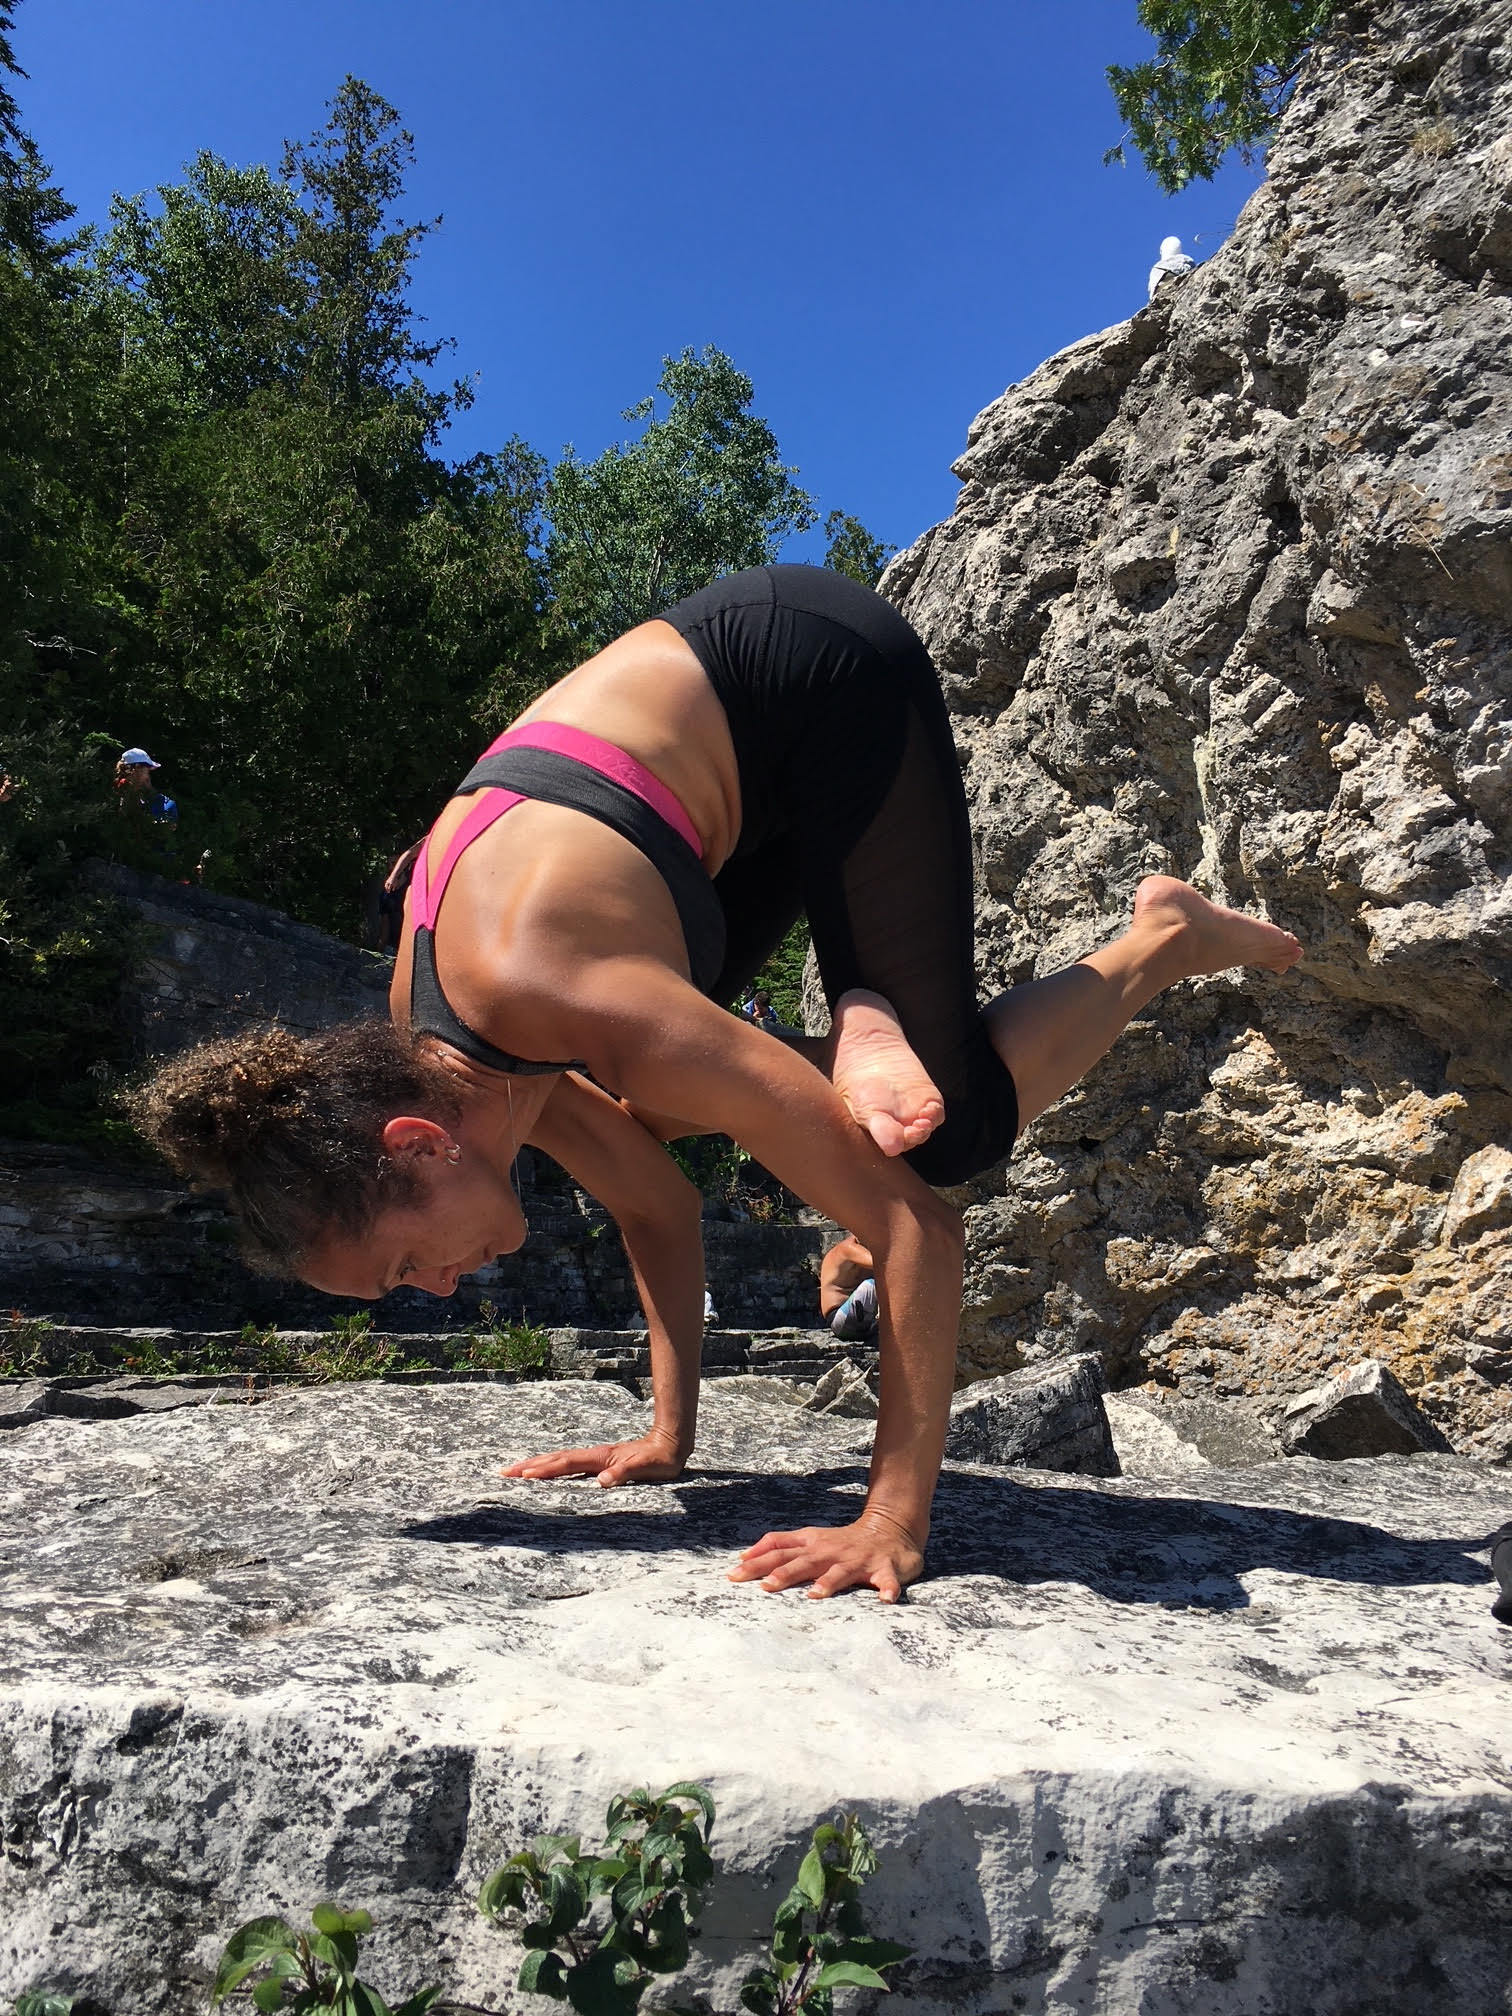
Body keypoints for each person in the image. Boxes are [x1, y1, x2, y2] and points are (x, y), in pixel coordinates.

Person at [138, 565, 1300, 1603]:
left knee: (934, 1145)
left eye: (403, 1264)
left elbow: (924, 1236)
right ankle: (858, 1029)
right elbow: (658, 1201)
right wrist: (668, 1434)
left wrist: (891, 1520)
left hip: (811, 674)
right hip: (686, 821)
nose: (435, 1292)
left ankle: (1159, 936)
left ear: (415, 1145)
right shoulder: (451, 1062)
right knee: (659, 1117)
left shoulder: (557, 996)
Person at [821, 1231, 878, 1342]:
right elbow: (883, 1263)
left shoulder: (868, 1249)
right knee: (872, 1285)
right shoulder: (847, 1248)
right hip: (840, 1320)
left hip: (863, 1322)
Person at [1147, 234, 1196, 301]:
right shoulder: (1187, 259)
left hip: (1162, 284)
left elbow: (1152, 288)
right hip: (1181, 283)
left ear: (1162, 250)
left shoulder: (1156, 266)